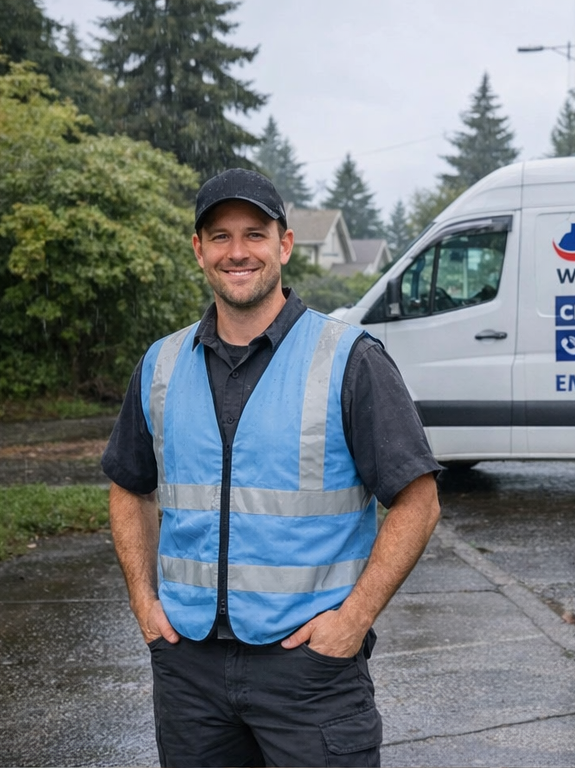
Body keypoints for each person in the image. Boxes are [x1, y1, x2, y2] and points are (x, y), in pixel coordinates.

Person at [102, 168, 442, 767]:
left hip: (309, 671)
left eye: (255, 234)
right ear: (199, 250)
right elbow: (130, 488)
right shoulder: (161, 363)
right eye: (220, 236)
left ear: (284, 245)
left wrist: (351, 622)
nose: (238, 252)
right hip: (189, 671)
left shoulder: (349, 360)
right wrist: (143, 601)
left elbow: (418, 501)